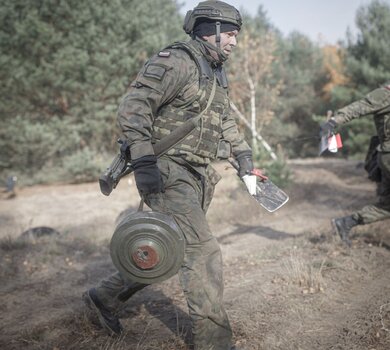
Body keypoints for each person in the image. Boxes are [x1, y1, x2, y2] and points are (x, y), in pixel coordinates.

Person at [83, 1, 252, 349]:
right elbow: (134, 107)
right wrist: (144, 163)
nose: (235, 42)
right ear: (211, 30)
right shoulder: (177, 61)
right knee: (203, 253)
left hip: (198, 175)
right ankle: (215, 343)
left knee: (171, 250)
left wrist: (243, 154)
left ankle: (104, 298)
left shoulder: (215, 71)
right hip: (168, 171)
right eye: (231, 35)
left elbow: (225, 120)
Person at [320, 83, 390, 245]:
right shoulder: (386, 94)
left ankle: (345, 222)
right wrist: (334, 121)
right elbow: (360, 106)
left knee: (387, 206)